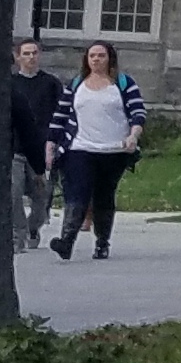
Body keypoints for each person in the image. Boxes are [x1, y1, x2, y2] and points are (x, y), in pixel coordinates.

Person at [47, 39, 145, 261]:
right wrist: (51, 145)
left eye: (101, 55)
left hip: (113, 150)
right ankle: (66, 241)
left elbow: (138, 112)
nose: (96, 60)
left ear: (109, 58)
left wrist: (133, 136)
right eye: (92, 56)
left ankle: (102, 242)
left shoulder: (122, 83)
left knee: (103, 196)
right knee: (77, 192)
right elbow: (60, 116)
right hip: (80, 147)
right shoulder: (76, 84)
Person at [9, 37, 66, 253]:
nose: (31, 57)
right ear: (17, 57)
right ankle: (18, 234)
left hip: (42, 148)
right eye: (26, 53)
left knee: (41, 196)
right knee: (13, 193)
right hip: (15, 148)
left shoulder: (51, 84)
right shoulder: (11, 84)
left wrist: (55, 142)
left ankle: (34, 227)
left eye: (34, 53)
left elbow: (61, 114)